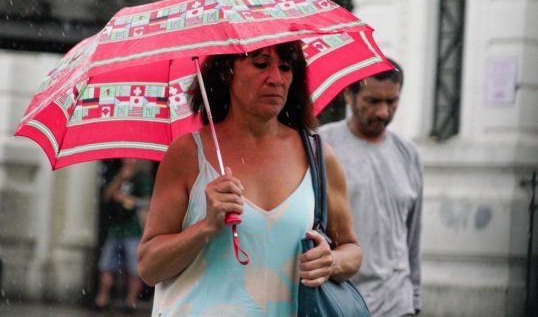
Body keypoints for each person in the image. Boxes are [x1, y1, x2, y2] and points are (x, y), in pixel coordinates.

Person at [137, 41, 362, 316]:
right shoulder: (187, 154)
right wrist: (206, 227)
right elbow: (149, 267)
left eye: (285, 67)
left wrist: (331, 261)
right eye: (260, 64)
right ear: (226, 72)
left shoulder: (316, 155)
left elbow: (351, 250)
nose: (276, 78)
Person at [319, 59, 423, 317]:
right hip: (341, 299)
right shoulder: (321, 146)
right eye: (373, 101)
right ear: (348, 95)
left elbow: (413, 234)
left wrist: (415, 297)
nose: (383, 113)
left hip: (396, 303)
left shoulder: (408, 154)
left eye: (392, 102)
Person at [95, 159, 153, 312]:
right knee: (107, 267)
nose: (128, 161)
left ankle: (130, 302)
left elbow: (148, 202)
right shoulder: (115, 175)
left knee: (134, 270)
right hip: (115, 229)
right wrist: (121, 178)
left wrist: (127, 200)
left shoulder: (142, 179)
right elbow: (107, 196)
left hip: (133, 230)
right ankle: (102, 300)